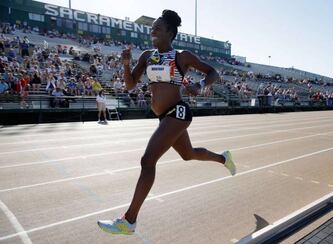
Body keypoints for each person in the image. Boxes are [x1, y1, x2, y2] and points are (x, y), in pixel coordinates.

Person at [98, 10, 236, 235]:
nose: (152, 30)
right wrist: (125, 65)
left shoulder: (182, 56)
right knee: (188, 154)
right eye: (152, 27)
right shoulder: (146, 56)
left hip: (179, 112)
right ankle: (223, 158)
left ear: (170, 33)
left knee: (147, 160)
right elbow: (131, 85)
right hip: (164, 117)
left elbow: (213, 72)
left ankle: (129, 220)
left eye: (158, 27)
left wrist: (200, 85)